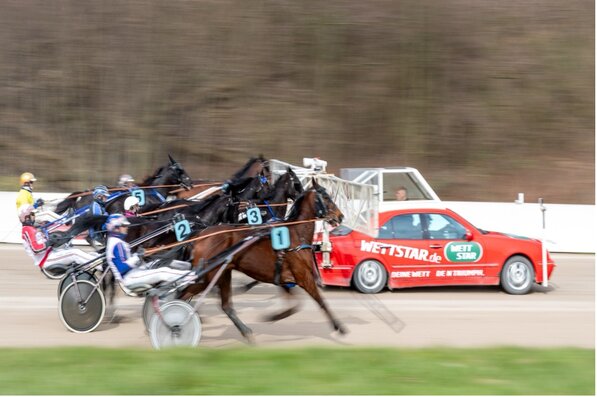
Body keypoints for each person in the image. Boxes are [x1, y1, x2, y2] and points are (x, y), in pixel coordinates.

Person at [105, 214, 195, 289]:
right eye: (124, 226)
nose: (127, 228)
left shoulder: (116, 242)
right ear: (116, 228)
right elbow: (121, 268)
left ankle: (189, 267)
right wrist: (138, 256)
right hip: (129, 277)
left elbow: (128, 260)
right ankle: (192, 276)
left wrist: (146, 253)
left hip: (135, 271)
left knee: (162, 262)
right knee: (162, 272)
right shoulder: (116, 244)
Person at [18, 205, 99, 276]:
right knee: (75, 253)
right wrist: (49, 242)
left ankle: (96, 261)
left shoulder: (31, 228)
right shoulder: (27, 230)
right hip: (46, 259)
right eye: (32, 214)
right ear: (26, 217)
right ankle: (100, 266)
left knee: (77, 251)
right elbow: (36, 249)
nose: (34, 216)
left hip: (51, 253)